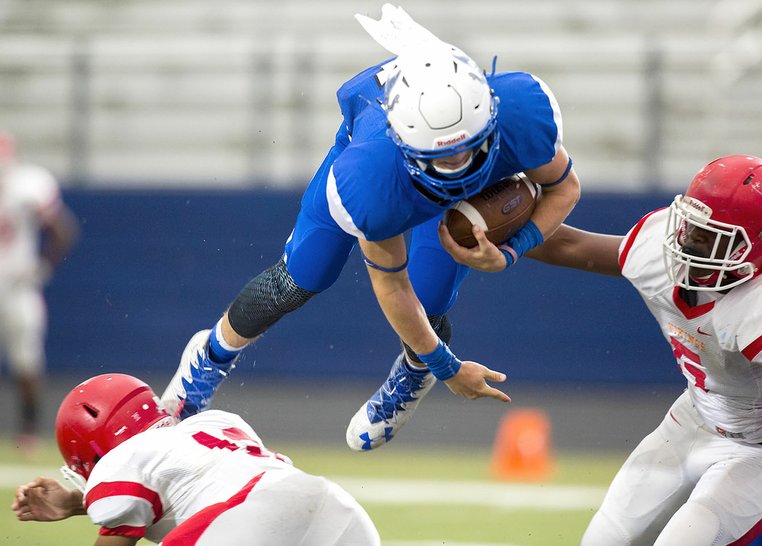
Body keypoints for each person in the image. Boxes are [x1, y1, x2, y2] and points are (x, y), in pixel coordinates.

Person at [160, 3, 581, 451]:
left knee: (432, 295)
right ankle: (209, 358)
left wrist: (514, 250)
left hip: (413, 167)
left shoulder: (520, 114)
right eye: (439, 157)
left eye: (468, 150)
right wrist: (447, 366)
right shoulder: (371, 175)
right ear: (401, 136)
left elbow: (565, 188)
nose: (455, 168)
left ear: (491, 118)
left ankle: (412, 369)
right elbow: (391, 287)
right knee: (302, 276)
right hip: (390, 174)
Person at [440, 154, 762, 545]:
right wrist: (504, 243)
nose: (690, 240)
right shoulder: (662, 248)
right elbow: (573, 245)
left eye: (711, 236)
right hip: (692, 420)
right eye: (692, 225)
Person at [11, 372, 380, 545]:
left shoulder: (120, 461)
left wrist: (85, 502)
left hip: (251, 522)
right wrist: (77, 503)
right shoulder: (217, 423)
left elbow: (122, 528)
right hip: (339, 511)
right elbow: (188, 488)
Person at [0, 131, 79, 447]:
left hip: (17, 285)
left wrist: (41, 266)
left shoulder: (26, 186)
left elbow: (64, 230)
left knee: (27, 359)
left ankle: (28, 429)